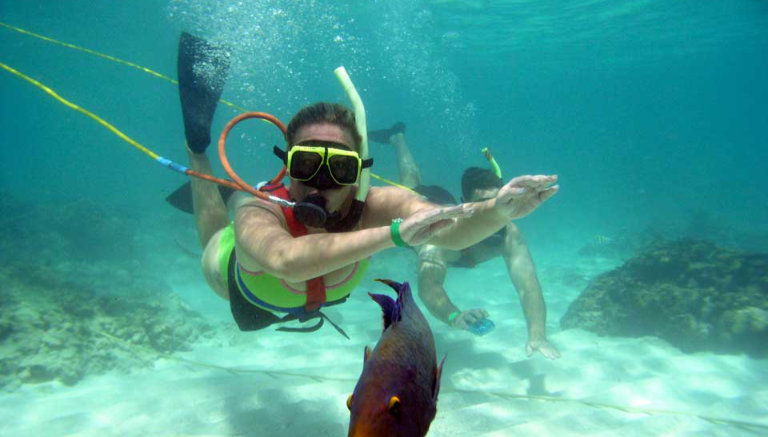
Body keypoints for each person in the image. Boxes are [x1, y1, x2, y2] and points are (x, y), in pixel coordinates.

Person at [169, 33, 558, 337]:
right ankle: (197, 151)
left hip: (303, 294)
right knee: (216, 234)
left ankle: (219, 174)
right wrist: (395, 235)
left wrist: (498, 210)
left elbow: (450, 232)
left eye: (339, 167)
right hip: (238, 289)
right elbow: (286, 260)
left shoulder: (375, 206)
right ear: (287, 168)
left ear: (358, 173)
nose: (322, 182)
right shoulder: (259, 209)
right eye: (306, 164)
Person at [368, 122, 560, 359]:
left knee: (412, 181)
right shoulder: (439, 235)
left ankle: (397, 137)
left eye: (500, 203)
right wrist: (453, 316)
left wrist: (538, 335)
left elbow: (528, 286)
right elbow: (430, 287)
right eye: (484, 206)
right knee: (409, 187)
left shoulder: (510, 234)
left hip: (447, 206)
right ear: (466, 204)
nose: (495, 213)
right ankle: (397, 138)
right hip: (428, 210)